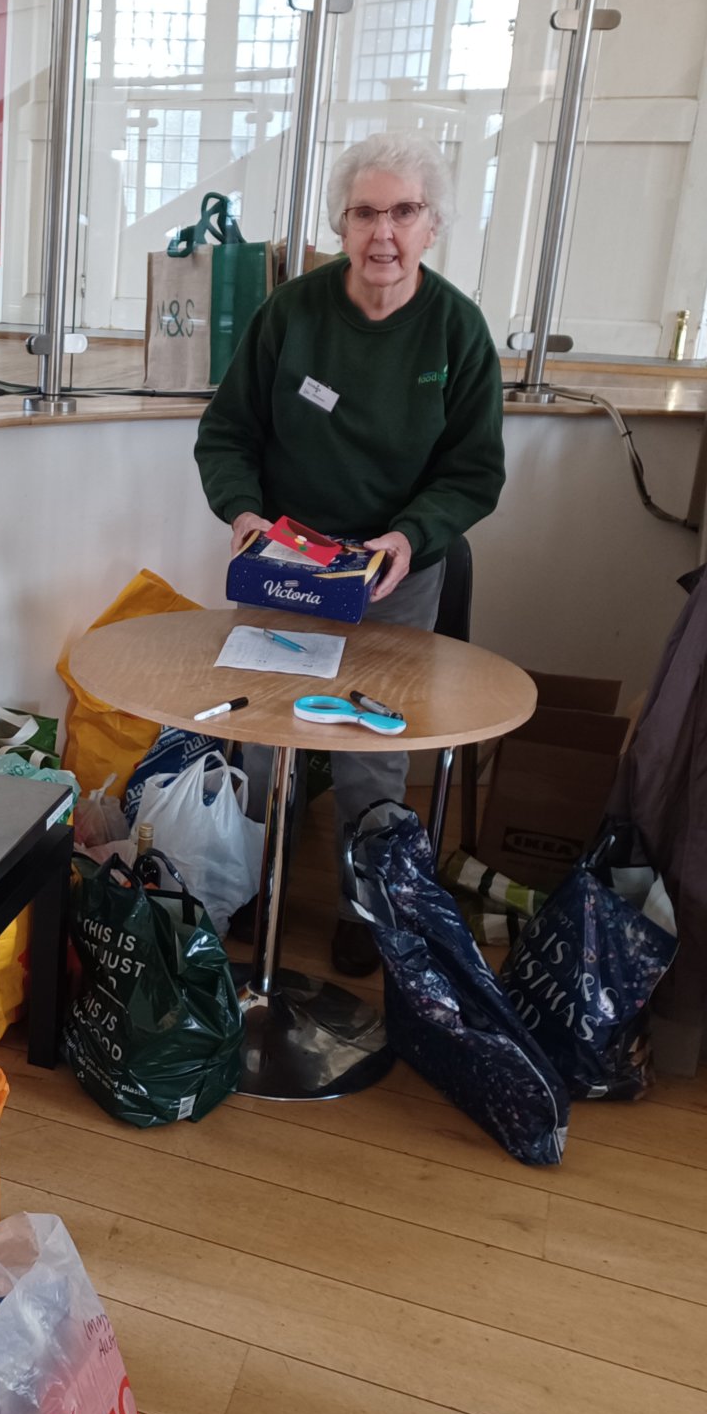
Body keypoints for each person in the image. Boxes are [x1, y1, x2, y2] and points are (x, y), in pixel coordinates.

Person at [194, 131, 504, 976]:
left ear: (433, 225)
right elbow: (228, 433)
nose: (383, 233)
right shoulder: (290, 314)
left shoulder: (457, 330)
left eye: (404, 212)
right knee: (265, 737)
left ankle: (366, 907)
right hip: (286, 565)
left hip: (395, 569)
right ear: (341, 225)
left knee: (372, 749)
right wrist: (245, 514)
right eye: (365, 213)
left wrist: (410, 536)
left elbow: (474, 473)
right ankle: (251, 885)